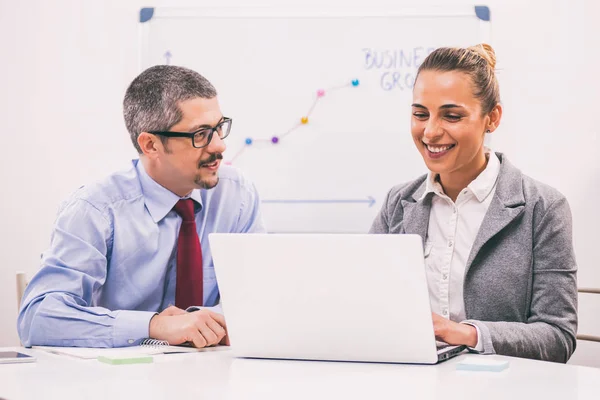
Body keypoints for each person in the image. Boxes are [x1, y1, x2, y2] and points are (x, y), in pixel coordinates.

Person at [18, 65, 265, 348]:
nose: (220, 146)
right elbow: (38, 319)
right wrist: (155, 325)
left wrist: (206, 322)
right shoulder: (95, 210)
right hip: (119, 382)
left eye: (219, 128)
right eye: (201, 134)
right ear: (150, 145)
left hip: (219, 376)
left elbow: (259, 295)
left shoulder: (237, 195)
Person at [370, 44, 577, 363]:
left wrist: (465, 333)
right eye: (420, 114)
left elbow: (557, 336)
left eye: (451, 116)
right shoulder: (397, 204)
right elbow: (366, 305)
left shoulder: (543, 208)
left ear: (492, 118)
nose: (430, 131)